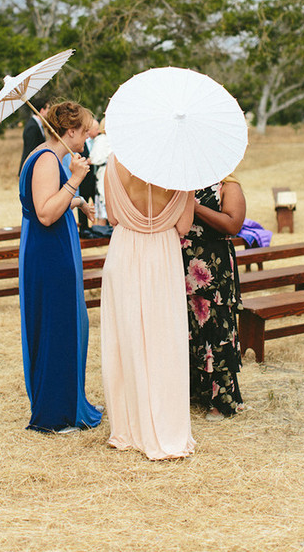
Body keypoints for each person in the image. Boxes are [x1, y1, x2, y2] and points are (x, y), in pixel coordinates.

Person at [101, 155, 196, 460]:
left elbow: (113, 218)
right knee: (165, 339)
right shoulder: (181, 168)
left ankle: (128, 428)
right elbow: (184, 226)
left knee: (125, 337)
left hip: (125, 248)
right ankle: (165, 424)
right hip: (162, 252)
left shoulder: (114, 163)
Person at [18, 101, 102, 433]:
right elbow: (45, 212)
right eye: (84, 132)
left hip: (53, 247)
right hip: (49, 253)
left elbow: (55, 201)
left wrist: (79, 201)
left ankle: (68, 400)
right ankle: (55, 413)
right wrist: (76, 180)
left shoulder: (49, 155)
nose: (86, 138)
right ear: (69, 132)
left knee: (69, 324)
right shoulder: (47, 159)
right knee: (57, 325)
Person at [181, 174, 247, 421]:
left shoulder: (228, 185)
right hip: (182, 262)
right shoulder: (181, 182)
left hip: (214, 265)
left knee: (215, 329)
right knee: (189, 329)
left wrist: (195, 207)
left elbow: (233, 224)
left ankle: (221, 400)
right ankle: (195, 392)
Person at [78, 118, 99, 235]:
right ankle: (84, 228)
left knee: (97, 203)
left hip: (95, 179)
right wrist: (87, 161)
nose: (98, 131)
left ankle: (98, 226)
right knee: (83, 202)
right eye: (96, 129)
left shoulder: (99, 141)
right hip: (85, 180)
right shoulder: (81, 142)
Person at [88, 118, 111, 225]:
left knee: (103, 204)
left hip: (104, 174)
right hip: (112, 173)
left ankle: (102, 230)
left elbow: (94, 158)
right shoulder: (114, 139)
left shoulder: (101, 139)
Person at [18, 99, 49, 174]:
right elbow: (31, 150)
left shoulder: (37, 124)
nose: (49, 111)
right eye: (48, 108)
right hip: (30, 169)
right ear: (42, 110)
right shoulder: (32, 126)